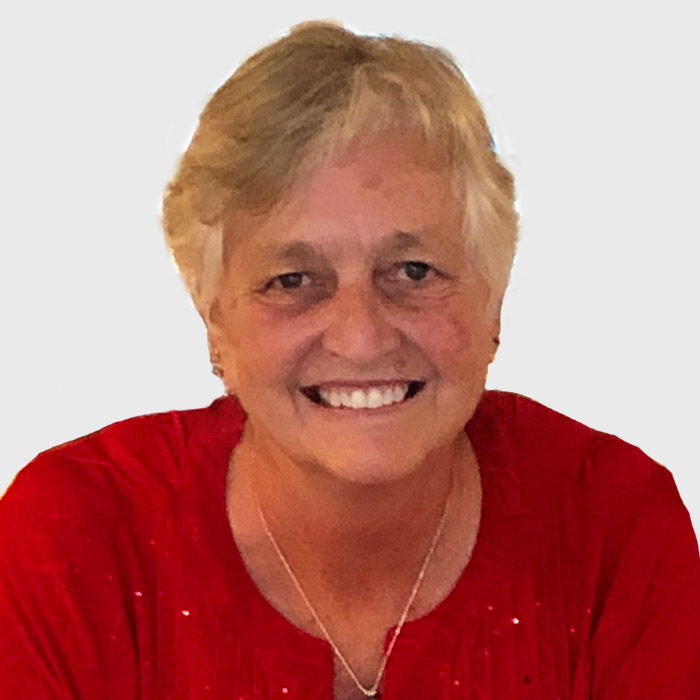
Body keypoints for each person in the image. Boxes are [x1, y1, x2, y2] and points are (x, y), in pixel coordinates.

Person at [1, 21, 698, 700]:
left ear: (493, 302)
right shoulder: (74, 539)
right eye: (292, 281)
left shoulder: (613, 528)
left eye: (414, 271)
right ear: (216, 321)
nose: (360, 338)